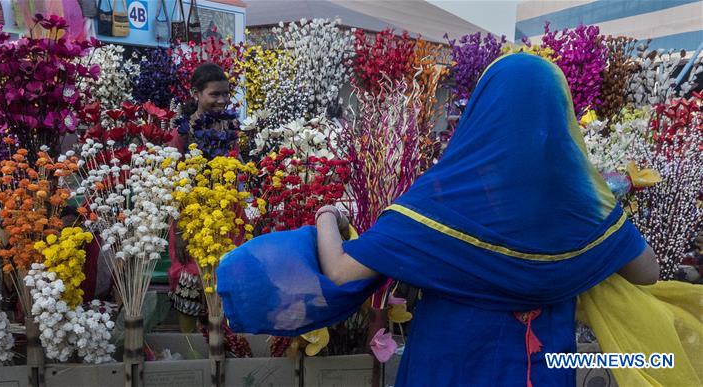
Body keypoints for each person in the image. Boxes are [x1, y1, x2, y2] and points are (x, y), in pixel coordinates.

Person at [217, 54, 664, 386]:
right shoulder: (588, 213)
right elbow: (648, 273)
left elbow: (339, 271)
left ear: (479, 118)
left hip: (449, 368)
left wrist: (326, 215)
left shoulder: (441, 200)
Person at [168, 62, 237, 331]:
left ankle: (223, 343)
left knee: (224, 279)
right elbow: (174, 182)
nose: (221, 100)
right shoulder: (183, 132)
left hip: (226, 215)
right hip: (191, 217)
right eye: (214, 94)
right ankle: (191, 352)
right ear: (196, 94)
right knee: (191, 280)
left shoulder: (230, 126)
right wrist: (181, 232)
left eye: (225, 94)